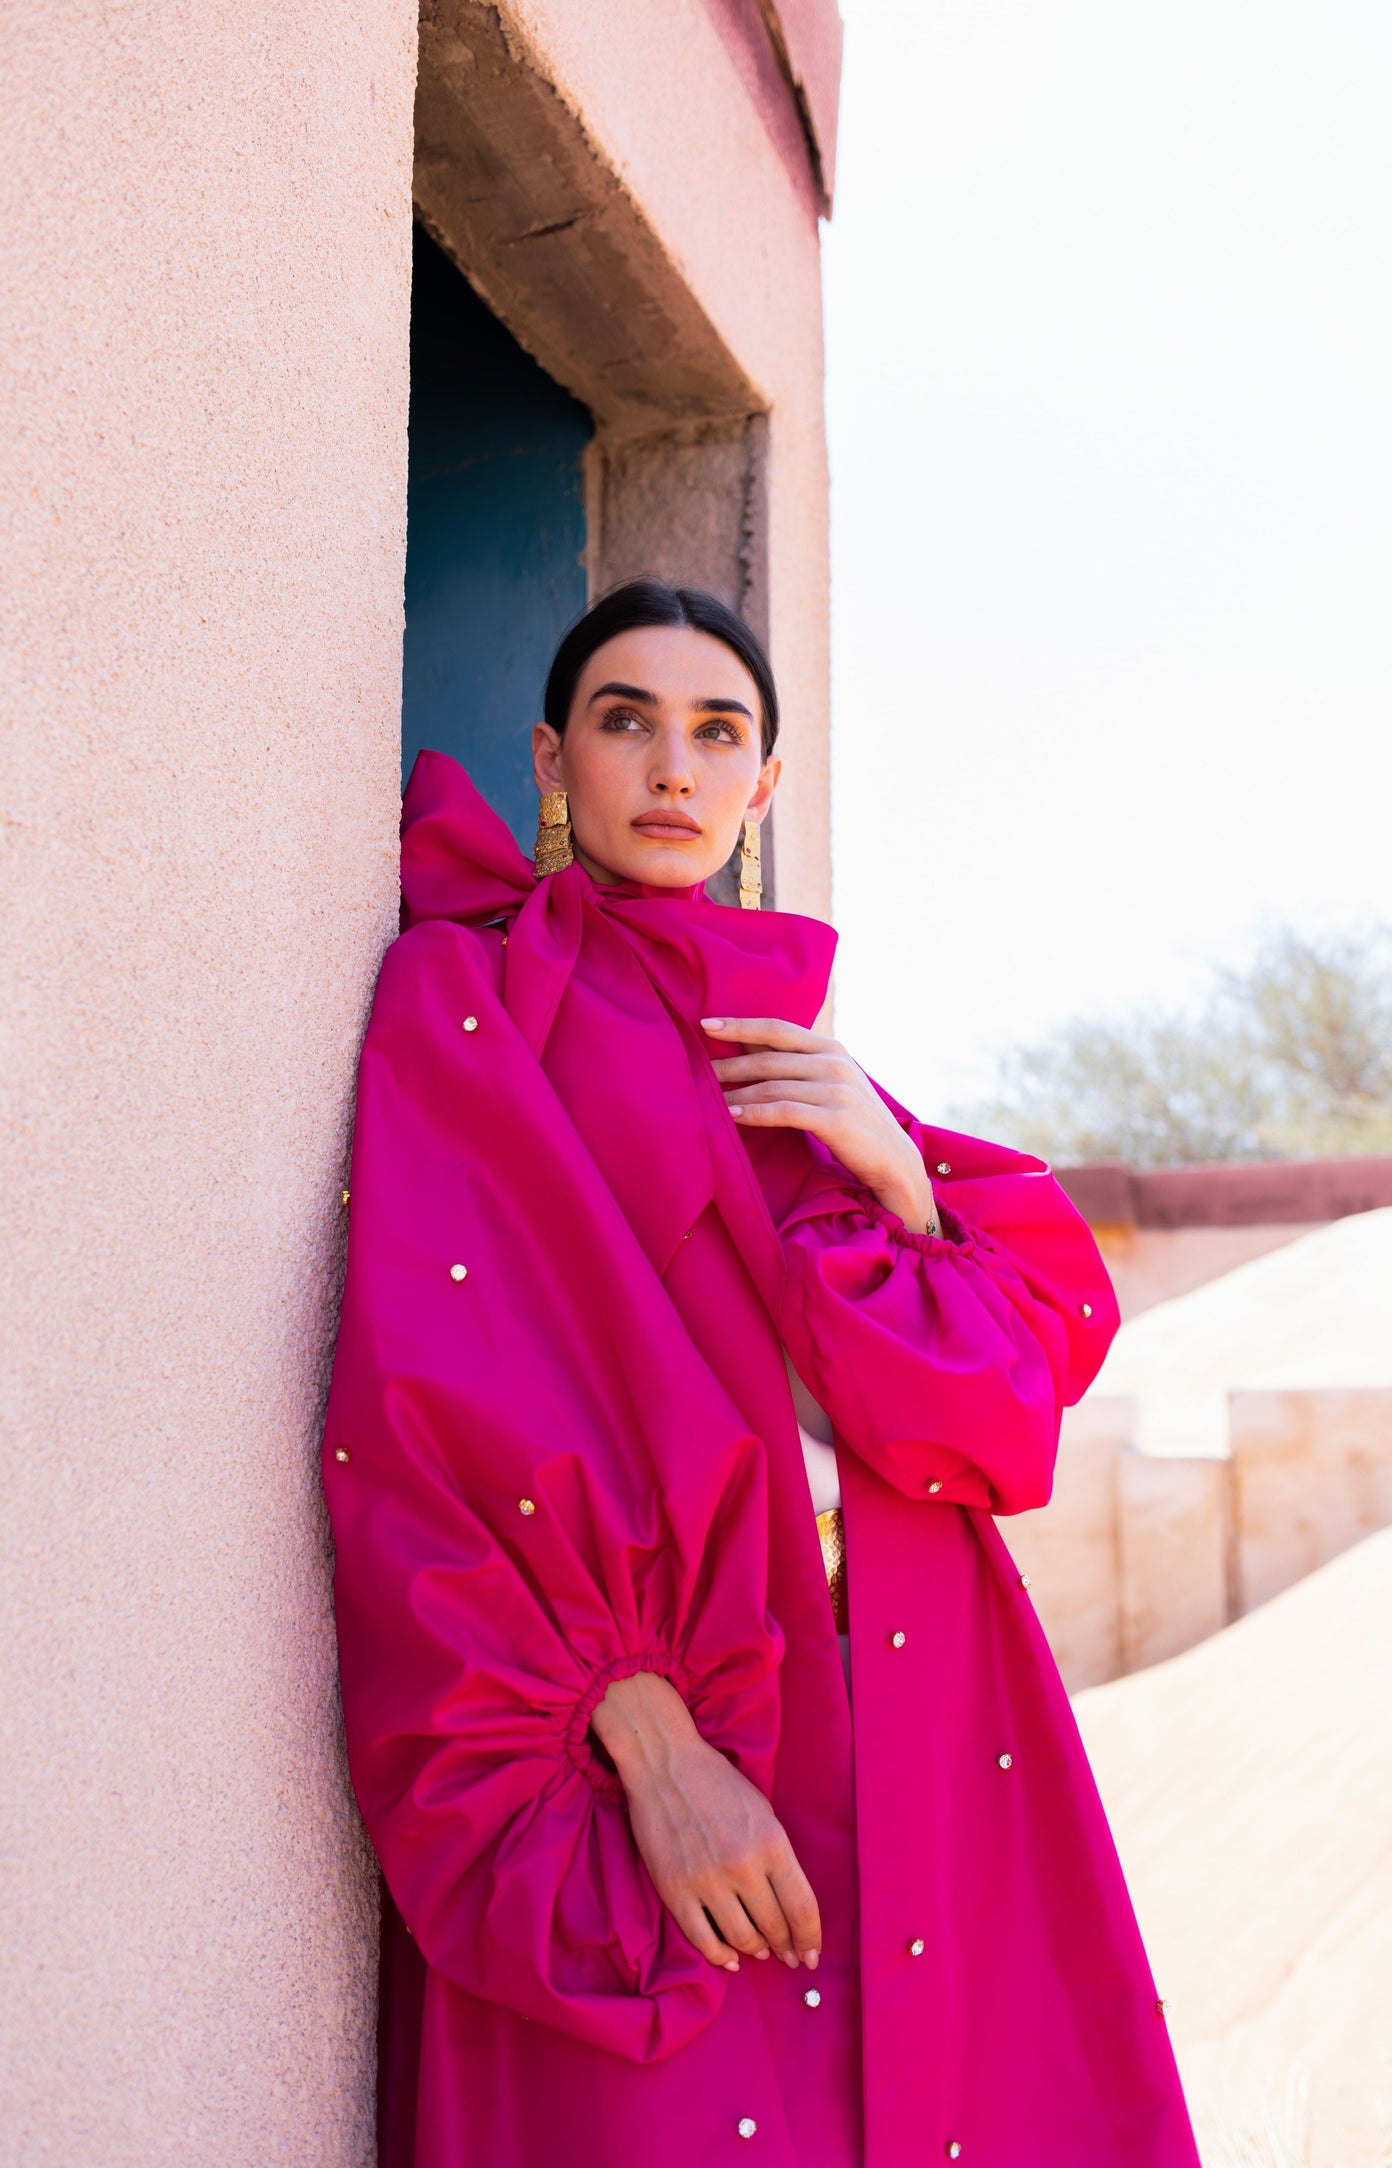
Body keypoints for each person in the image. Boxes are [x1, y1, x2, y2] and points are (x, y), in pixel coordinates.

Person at [323, 579, 1200, 2168]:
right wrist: (650, 1746)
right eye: (625, 722)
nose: (673, 766)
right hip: (642, 1721)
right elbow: (437, 1416)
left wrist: (901, 1187)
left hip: (906, 1702)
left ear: (763, 786)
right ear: (549, 760)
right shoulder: (473, 1003)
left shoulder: (794, 1054)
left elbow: (973, 1435)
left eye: (716, 731)